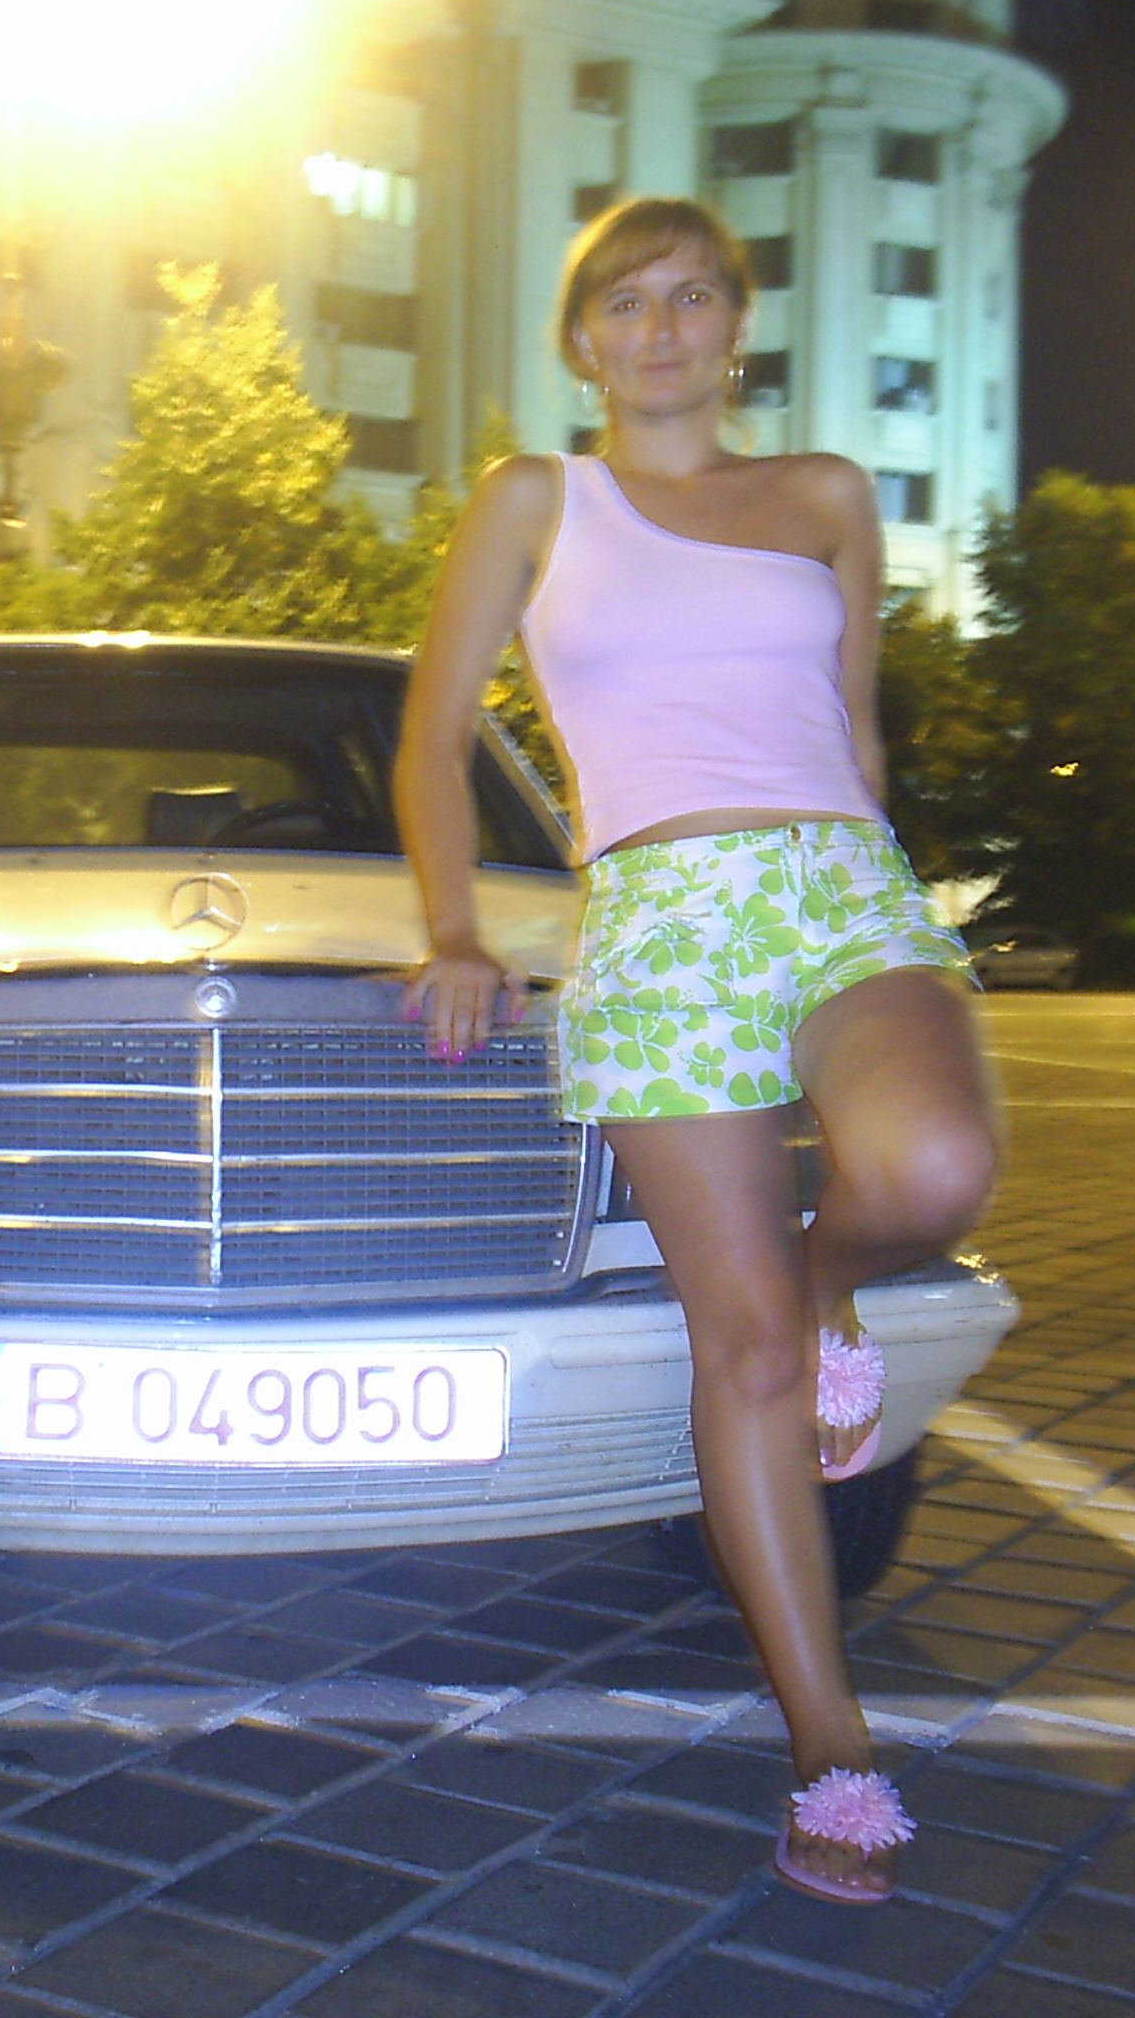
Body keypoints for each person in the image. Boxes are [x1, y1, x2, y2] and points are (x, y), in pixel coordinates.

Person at [393, 197, 997, 1906]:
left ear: (737, 325)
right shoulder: (537, 498)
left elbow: (855, 733)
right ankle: (831, 1745)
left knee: (934, 1168)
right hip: (661, 919)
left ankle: (831, 1280)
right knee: (738, 1354)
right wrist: (455, 930)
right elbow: (434, 734)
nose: (659, 328)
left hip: (837, 884)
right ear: (581, 338)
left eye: (691, 297)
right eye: (623, 303)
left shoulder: (825, 497)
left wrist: (890, 904)